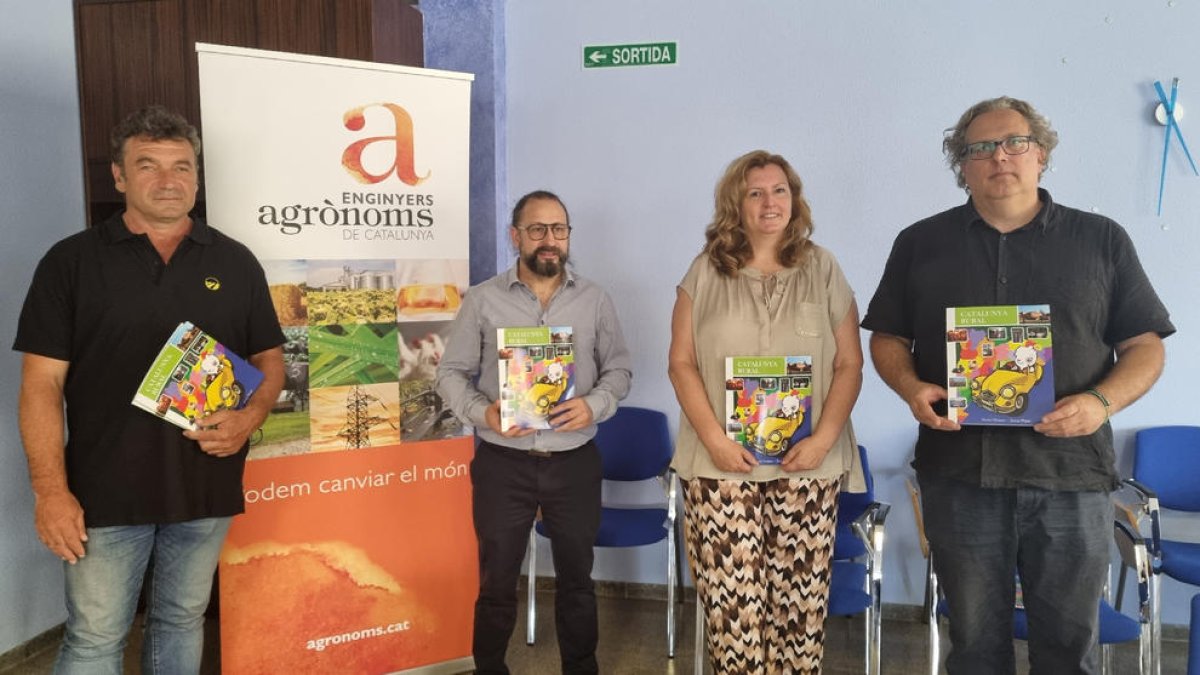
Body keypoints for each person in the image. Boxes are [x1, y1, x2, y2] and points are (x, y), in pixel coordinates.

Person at [861, 96, 1174, 674]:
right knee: (976, 648)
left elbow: (1145, 346)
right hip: (959, 476)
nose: (999, 157)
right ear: (962, 164)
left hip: (1071, 477)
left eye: (1014, 143)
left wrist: (1101, 402)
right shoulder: (919, 243)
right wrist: (910, 388)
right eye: (979, 148)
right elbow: (886, 337)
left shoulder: (1101, 240)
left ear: (1041, 155)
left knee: (1068, 649)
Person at [14, 105, 285, 674]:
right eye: (148, 166)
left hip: (204, 485)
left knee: (181, 621)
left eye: (182, 167)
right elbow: (41, 384)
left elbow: (269, 358)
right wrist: (49, 491)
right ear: (118, 177)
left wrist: (251, 416)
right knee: (94, 637)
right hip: (102, 493)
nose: (169, 180)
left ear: (197, 176)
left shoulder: (234, 261)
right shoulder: (71, 263)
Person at [667, 150, 864, 673]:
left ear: (794, 200)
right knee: (735, 614)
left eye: (780, 190)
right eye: (755, 192)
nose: (769, 202)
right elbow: (681, 363)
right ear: (737, 203)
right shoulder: (704, 271)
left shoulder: (823, 267)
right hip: (720, 466)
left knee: (799, 613)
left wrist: (823, 440)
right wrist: (713, 439)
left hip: (808, 463)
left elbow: (849, 365)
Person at [436, 190, 632, 675]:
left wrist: (594, 405)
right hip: (504, 461)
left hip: (574, 461)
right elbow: (449, 374)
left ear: (568, 236)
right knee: (497, 580)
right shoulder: (483, 300)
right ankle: (489, 669)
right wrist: (484, 415)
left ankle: (581, 668)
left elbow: (621, 371)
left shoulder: (595, 300)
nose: (550, 240)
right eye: (538, 229)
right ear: (516, 236)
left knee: (576, 581)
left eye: (559, 229)